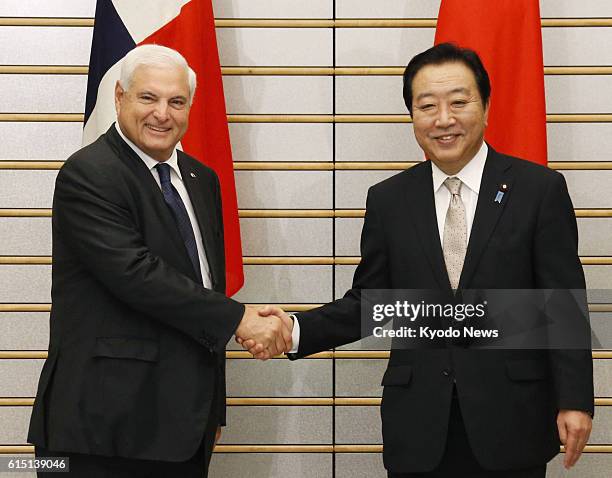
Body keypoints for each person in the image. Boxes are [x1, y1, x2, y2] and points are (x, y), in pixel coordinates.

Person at [242, 43, 594, 477]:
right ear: (412, 116)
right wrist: (293, 329)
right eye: (427, 106)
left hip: (512, 419)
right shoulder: (389, 200)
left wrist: (574, 398)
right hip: (419, 425)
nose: (443, 119)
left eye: (458, 102)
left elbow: (561, 303)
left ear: (485, 106)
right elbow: (372, 304)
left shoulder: (539, 190)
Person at [27, 44, 292, 477]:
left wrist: (213, 409)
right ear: (118, 98)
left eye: (176, 101)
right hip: (101, 429)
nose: (162, 114)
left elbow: (205, 286)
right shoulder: (90, 172)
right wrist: (241, 319)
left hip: (182, 427)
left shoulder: (200, 179)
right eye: (148, 98)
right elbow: (136, 274)